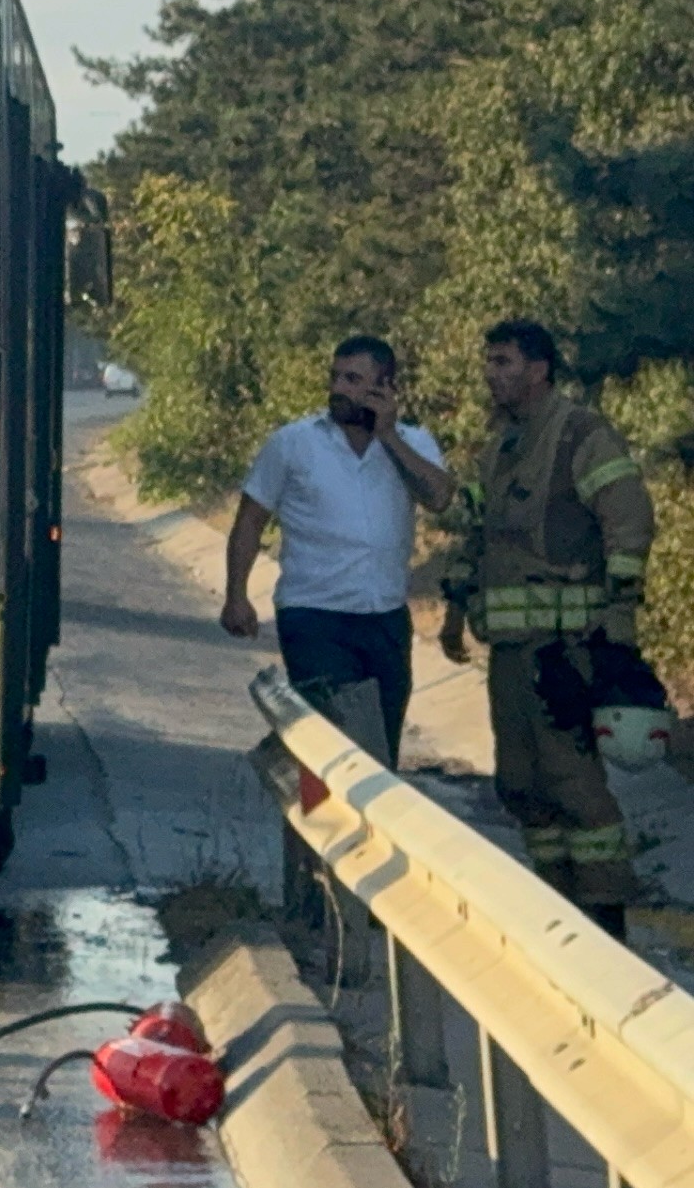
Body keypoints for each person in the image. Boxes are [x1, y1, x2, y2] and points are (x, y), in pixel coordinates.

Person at [440, 319, 652, 931]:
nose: (491, 374)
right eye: (489, 362)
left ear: (538, 369)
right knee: (522, 784)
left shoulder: (579, 436)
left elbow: (629, 519)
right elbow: (477, 534)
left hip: (569, 649)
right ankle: (560, 909)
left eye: (504, 362)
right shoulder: (501, 445)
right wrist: (455, 608)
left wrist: (617, 622)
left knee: (574, 781)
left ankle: (606, 918)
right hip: (510, 651)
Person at [221, 335, 452, 763]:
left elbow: (439, 497)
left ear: (385, 386)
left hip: (385, 620)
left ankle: (354, 829)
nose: (339, 388)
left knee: (380, 757)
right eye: (335, 377)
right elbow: (251, 519)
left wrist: (389, 437)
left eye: (353, 379)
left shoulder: (412, 443)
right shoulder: (294, 443)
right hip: (315, 618)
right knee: (337, 747)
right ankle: (313, 822)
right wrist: (237, 595)